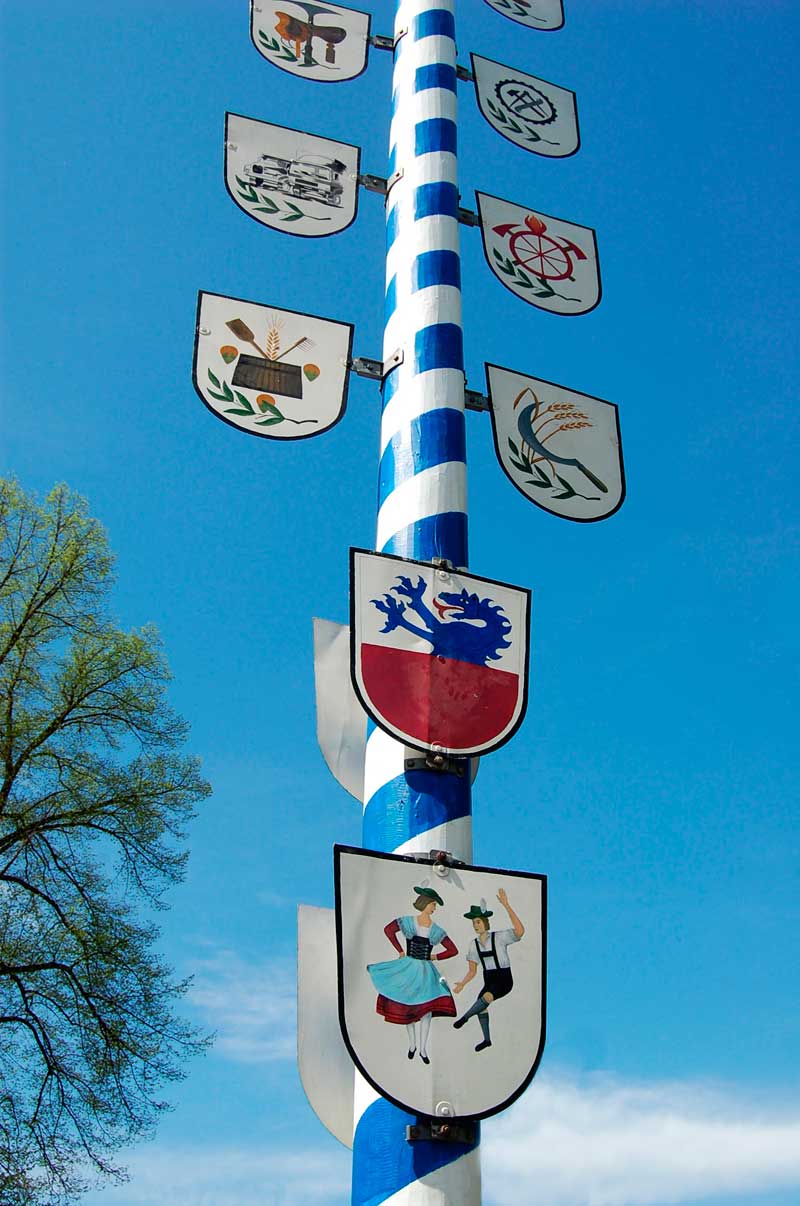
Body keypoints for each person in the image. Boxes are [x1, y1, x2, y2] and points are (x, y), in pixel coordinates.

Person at [367, 883, 458, 1064]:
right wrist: (400, 950)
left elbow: (453, 950)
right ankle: (412, 1044)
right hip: (409, 966)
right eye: (433, 904)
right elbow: (389, 930)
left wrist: (434, 957)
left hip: (426, 970)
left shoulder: (435, 930)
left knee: (426, 1011)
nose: (434, 908)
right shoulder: (408, 921)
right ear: (425, 903)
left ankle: (423, 1049)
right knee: (408, 1005)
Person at [452, 888, 525, 1052]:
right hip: (488, 979)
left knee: (485, 998)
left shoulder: (499, 937)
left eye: (478, 922)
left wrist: (506, 905)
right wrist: (462, 984)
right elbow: (472, 971)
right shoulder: (474, 945)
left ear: (485, 922)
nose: (475, 926)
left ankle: (464, 1018)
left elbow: (520, 931)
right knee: (481, 1006)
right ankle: (487, 1040)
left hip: (504, 979)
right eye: (473, 923)